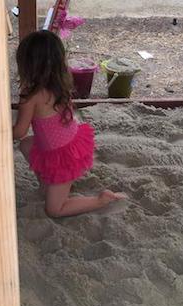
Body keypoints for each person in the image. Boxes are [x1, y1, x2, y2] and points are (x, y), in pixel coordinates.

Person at [13, 30, 126, 217]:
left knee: (54, 210)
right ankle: (48, 185)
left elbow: (19, 131)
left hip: (64, 159)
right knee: (27, 145)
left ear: (27, 64)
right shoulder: (59, 83)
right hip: (69, 146)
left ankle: (101, 200)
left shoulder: (30, 96)